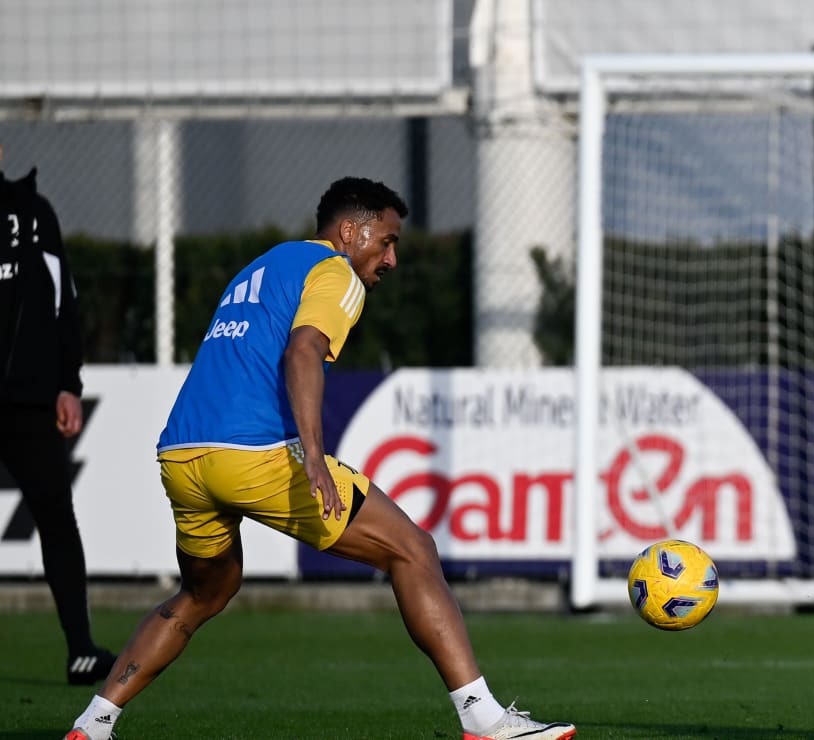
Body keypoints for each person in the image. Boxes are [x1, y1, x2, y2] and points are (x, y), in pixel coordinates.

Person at [65, 177, 575, 740]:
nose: (392, 258)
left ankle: (93, 724)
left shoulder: (263, 266)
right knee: (413, 550)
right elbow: (303, 350)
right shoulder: (336, 272)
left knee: (204, 592)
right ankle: (484, 720)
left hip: (183, 455)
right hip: (255, 456)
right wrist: (312, 455)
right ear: (349, 231)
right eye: (386, 241)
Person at [0, 144, 117, 686]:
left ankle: (80, 650)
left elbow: (60, 301)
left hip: (26, 399)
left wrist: (68, 384)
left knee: (55, 515)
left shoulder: (33, 211)